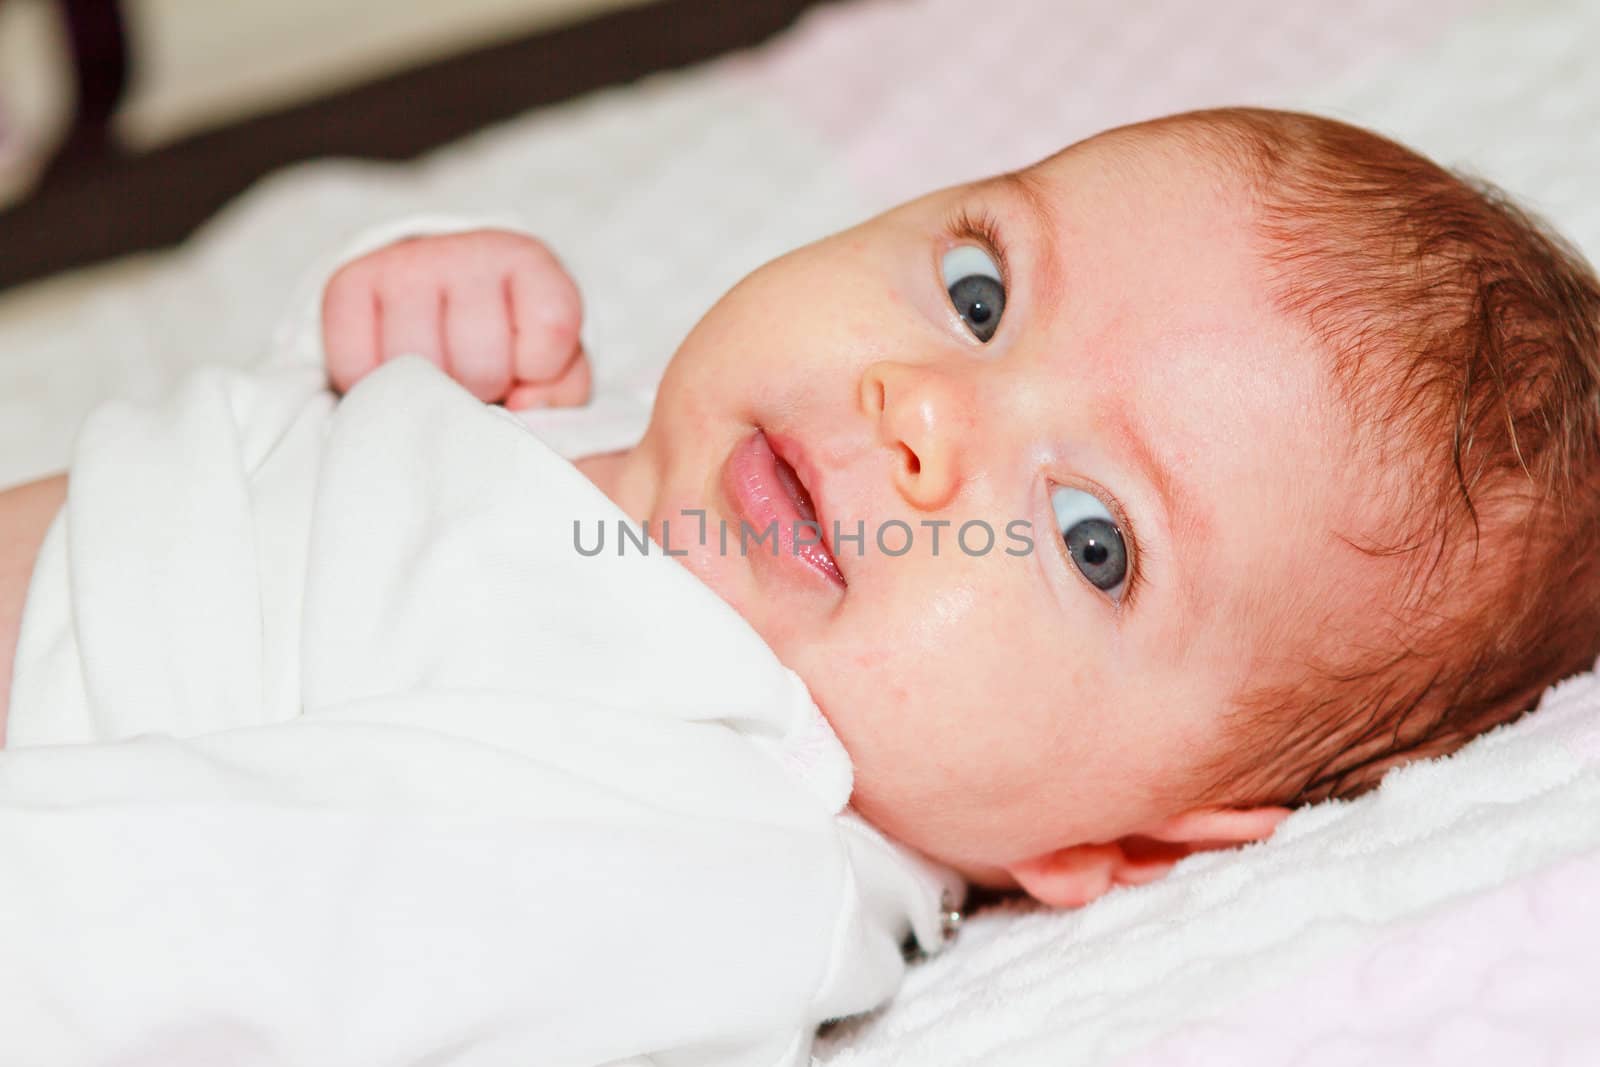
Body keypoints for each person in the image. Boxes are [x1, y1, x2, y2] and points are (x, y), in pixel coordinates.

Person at [0, 106, 1596, 1063]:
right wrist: (387, 328)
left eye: (1091, 537)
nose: (923, 416)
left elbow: (206, 940)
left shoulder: (708, 848)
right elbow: (306, 537)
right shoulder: (682, 516)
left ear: (1126, 839)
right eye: (979, 293)